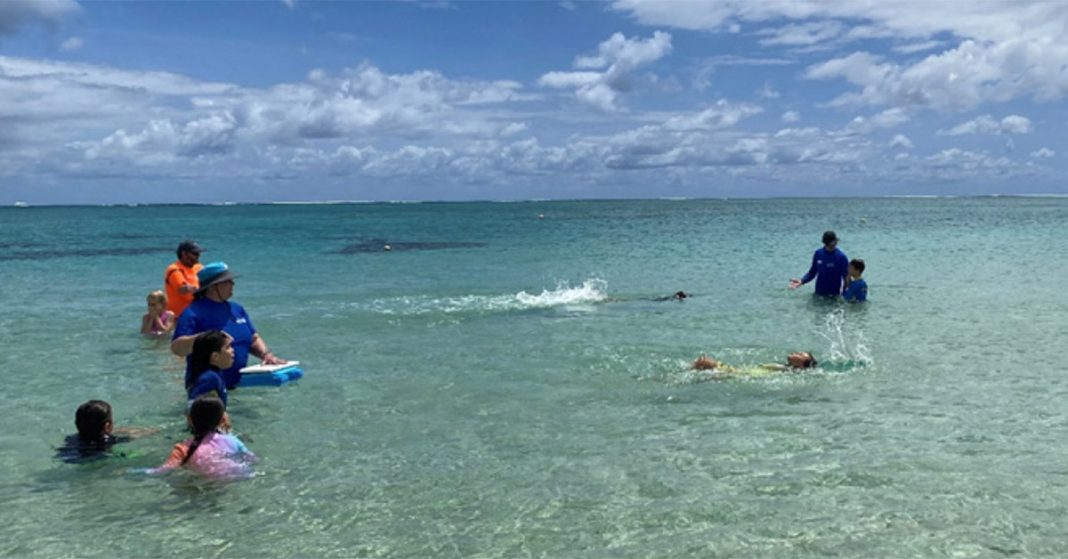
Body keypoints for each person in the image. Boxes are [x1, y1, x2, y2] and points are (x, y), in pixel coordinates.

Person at [171, 262, 285, 390]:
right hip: (207, 389)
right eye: (227, 281)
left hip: (238, 386)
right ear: (213, 287)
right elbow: (177, 348)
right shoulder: (192, 312)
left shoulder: (237, 309)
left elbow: (253, 338)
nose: (233, 284)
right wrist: (208, 337)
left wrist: (266, 355)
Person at [144, 396, 256, 480]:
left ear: (190, 420)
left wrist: (136, 472)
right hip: (236, 475)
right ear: (222, 420)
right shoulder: (233, 441)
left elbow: (165, 469)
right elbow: (252, 458)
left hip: (205, 480)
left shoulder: (183, 449)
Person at [56, 400, 153, 463]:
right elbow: (135, 435)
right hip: (98, 459)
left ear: (76, 424)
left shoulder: (71, 439)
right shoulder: (110, 440)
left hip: (72, 457)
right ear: (107, 426)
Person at [790, 231, 849, 296]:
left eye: (835, 241)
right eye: (834, 241)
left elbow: (846, 278)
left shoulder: (841, 257)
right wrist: (801, 281)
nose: (836, 243)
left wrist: (845, 294)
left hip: (833, 295)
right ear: (826, 242)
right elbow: (812, 272)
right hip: (818, 293)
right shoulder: (818, 253)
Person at [186, 331, 233, 408]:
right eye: (228, 347)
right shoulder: (209, 378)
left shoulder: (216, 373)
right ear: (215, 356)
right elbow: (193, 408)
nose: (232, 350)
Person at [690, 351, 818, 377]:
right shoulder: (784, 368)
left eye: (800, 355)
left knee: (702, 361)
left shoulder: (789, 371)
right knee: (701, 363)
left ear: (801, 366)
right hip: (736, 372)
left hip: (736, 373)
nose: (796, 352)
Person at [164, 240, 204, 318]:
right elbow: (182, 290)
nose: (198, 256)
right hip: (178, 316)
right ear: (184, 254)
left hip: (196, 313)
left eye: (199, 253)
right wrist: (198, 290)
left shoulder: (199, 267)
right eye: (195, 254)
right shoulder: (174, 269)